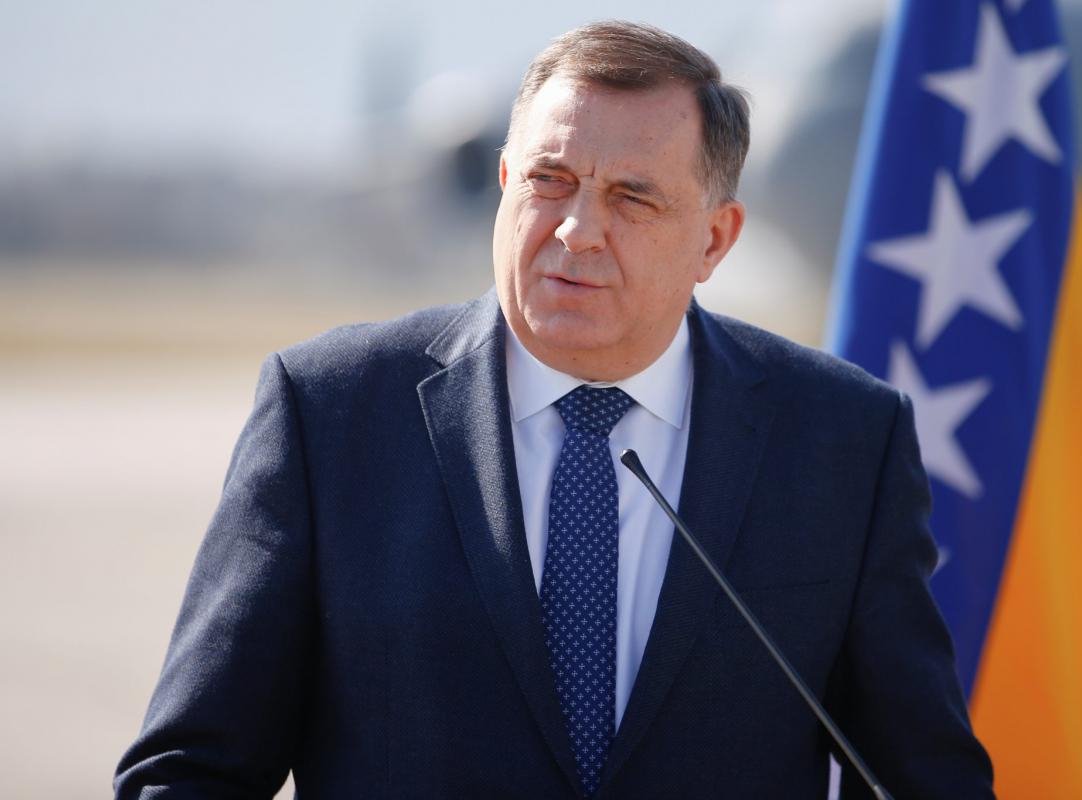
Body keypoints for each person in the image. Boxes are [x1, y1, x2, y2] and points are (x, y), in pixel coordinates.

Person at [115, 20, 994, 799]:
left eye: (632, 197)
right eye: (550, 179)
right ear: (504, 182)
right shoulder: (330, 414)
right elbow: (188, 772)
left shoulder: (844, 441)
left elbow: (927, 777)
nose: (576, 229)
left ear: (715, 239)